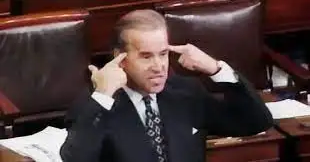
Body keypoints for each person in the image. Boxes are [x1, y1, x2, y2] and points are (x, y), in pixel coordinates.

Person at [60, 9, 273, 162]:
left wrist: (215, 69)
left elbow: (256, 122)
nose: (159, 66)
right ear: (120, 58)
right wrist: (103, 95)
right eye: (146, 57)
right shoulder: (97, 105)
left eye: (163, 54)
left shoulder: (186, 92)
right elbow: (75, 158)